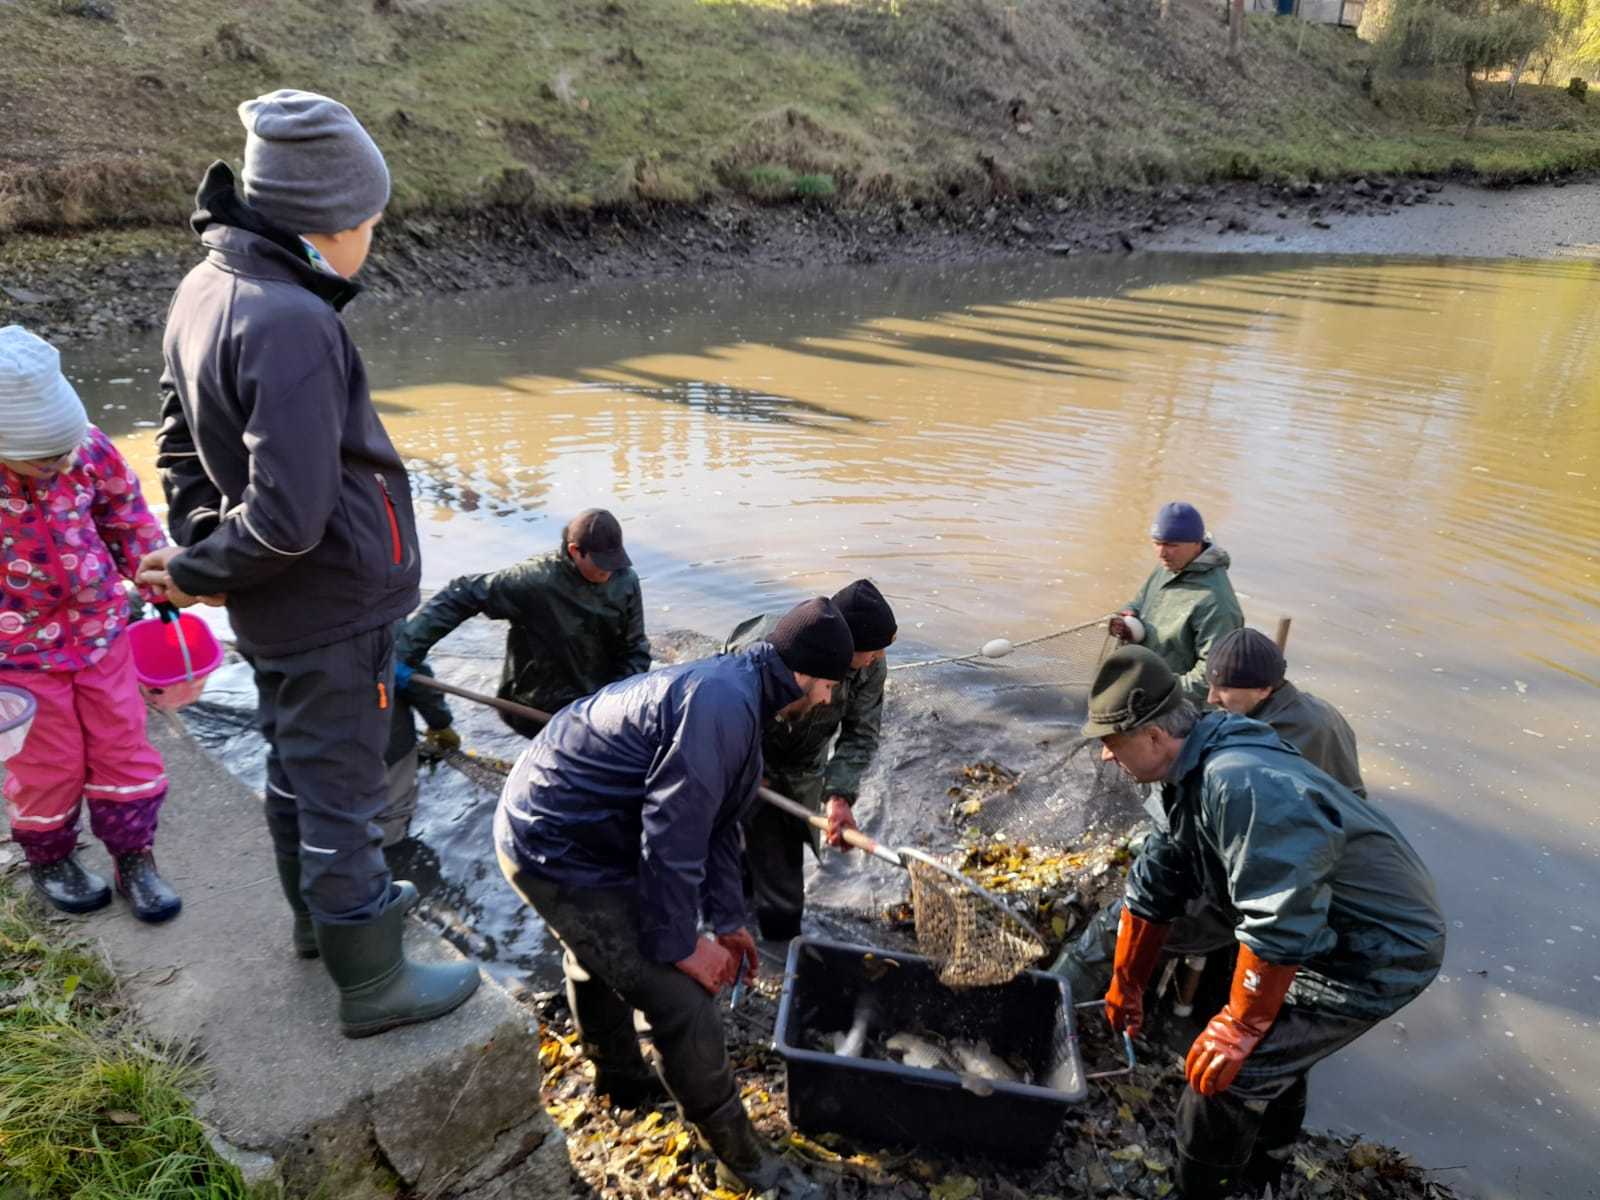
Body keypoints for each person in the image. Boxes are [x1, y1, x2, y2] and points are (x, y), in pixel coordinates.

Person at [138, 90, 478, 1035]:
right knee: (346, 789)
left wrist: (201, 543)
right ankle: (371, 983)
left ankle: (313, 926)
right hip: (331, 603)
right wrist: (206, 569)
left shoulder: (206, 285)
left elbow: (176, 440)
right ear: (326, 222)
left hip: (281, 612)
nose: (372, 237)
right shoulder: (292, 321)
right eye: (370, 221)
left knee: (295, 764)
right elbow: (289, 521)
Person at [494, 597, 853, 1200]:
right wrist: (683, 943)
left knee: (598, 956)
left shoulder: (739, 692)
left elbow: (716, 826)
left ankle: (622, 1084)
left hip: (582, 825)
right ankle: (745, 1163)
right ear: (804, 674)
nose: (826, 702)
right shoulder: (721, 707)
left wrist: (730, 922)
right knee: (681, 1002)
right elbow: (671, 835)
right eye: (827, 687)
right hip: (552, 841)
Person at [1085, 646, 1444, 1198]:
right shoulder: (1186, 766)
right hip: (1319, 930)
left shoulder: (1242, 780)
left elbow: (1278, 923)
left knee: (1225, 1076)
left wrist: (1241, 1026)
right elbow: (1156, 880)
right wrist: (1127, 980)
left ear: (1154, 736)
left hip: (1379, 946)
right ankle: (1266, 1165)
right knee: (1266, 1050)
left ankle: (1207, 1189)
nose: (1108, 757)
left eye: (1112, 744)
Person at [0, 325, 181, 923]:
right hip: (17, 659)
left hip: (101, 634)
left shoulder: (89, 450)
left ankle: (135, 856)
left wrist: (154, 572)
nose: (63, 464)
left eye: (67, 450)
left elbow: (125, 516)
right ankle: (51, 858)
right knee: (45, 764)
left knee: (122, 746)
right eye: (45, 459)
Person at [723, 578, 896, 942]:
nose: (878, 659)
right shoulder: (774, 644)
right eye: (872, 652)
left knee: (782, 875)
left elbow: (860, 733)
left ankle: (777, 941)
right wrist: (746, 767)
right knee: (728, 849)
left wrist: (839, 796)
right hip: (742, 759)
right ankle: (733, 928)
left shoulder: (868, 668)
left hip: (799, 771)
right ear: (845, 645)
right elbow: (727, 708)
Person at [398, 508, 649, 737]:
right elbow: (461, 594)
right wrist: (406, 652)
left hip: (596, 706)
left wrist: (612, 705)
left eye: (614, 563)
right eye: (601, 565)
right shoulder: (534, 581)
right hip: (539, 707)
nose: (608, 573)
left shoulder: (625, 581)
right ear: (574, 551)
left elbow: (635, 647)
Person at [1206, 626, 1365, 798]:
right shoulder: (1310, 706)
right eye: (1210, 686)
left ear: (1263, 690)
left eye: (1224, 689)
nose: (1211, 699)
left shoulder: (1281, 735)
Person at [1110, 502, 1243, 706]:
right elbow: (1139, 602)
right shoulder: (1169, 566)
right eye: (1157, 543)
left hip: (1180, 706)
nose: (1162, 553)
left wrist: (1159, 690)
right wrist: (1128, 617)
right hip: (1145, 683)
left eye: (1172, 545)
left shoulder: (1216, 602)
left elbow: (1212, 677)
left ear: (1197, 544)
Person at [380, 656, 460, 853]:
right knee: (388, 818)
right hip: (385, 746)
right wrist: (440, 723)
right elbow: (418, 684)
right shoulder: (382, 629)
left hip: (311, 749)